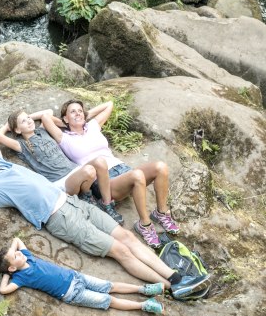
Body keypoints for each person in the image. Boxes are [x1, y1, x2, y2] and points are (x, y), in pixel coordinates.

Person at [0, 132, 210, 299]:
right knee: (121, 251)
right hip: (60, 218)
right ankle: (172, 288)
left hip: (75, 203)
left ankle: (176, 277)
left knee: (128, 237)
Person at [41, 100, 179, 248]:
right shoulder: (64, 137)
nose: (78, 113)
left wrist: (85, 116)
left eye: (80, 111)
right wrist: (65, 123)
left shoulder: (93, 126)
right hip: (103, 180)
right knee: (137, 175)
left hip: (122, 169)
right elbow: (45, 117)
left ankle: (161, 213)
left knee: (161, 167)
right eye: (73, 112)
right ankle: (144, 224)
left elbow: (109, 104)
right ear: (65, 118)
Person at [0, 109, 123, 225]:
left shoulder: (43, 130)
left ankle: (106, 204)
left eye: (28, 117)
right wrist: (9, 125)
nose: (29, 121)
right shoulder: (21, 145)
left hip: (75, 170)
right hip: (61, 181)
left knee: (100, 162)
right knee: (89, 171)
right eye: (23, 121)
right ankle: (86, 196)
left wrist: (27, 118)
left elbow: (48, 112)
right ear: (17, 130)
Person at [0, 237, 164, 314]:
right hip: (72, 293)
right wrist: (8, 274)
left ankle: (144, 289)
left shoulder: (27, 256)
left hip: (75, 276)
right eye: (15, 257)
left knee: (109, 286)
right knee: (108, 300)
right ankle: (144, 305)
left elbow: (16, 239)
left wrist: (12, 255)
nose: (18, 254)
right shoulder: (21, 278)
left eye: (16, 253)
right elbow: (4, 290)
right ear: (12, 268)